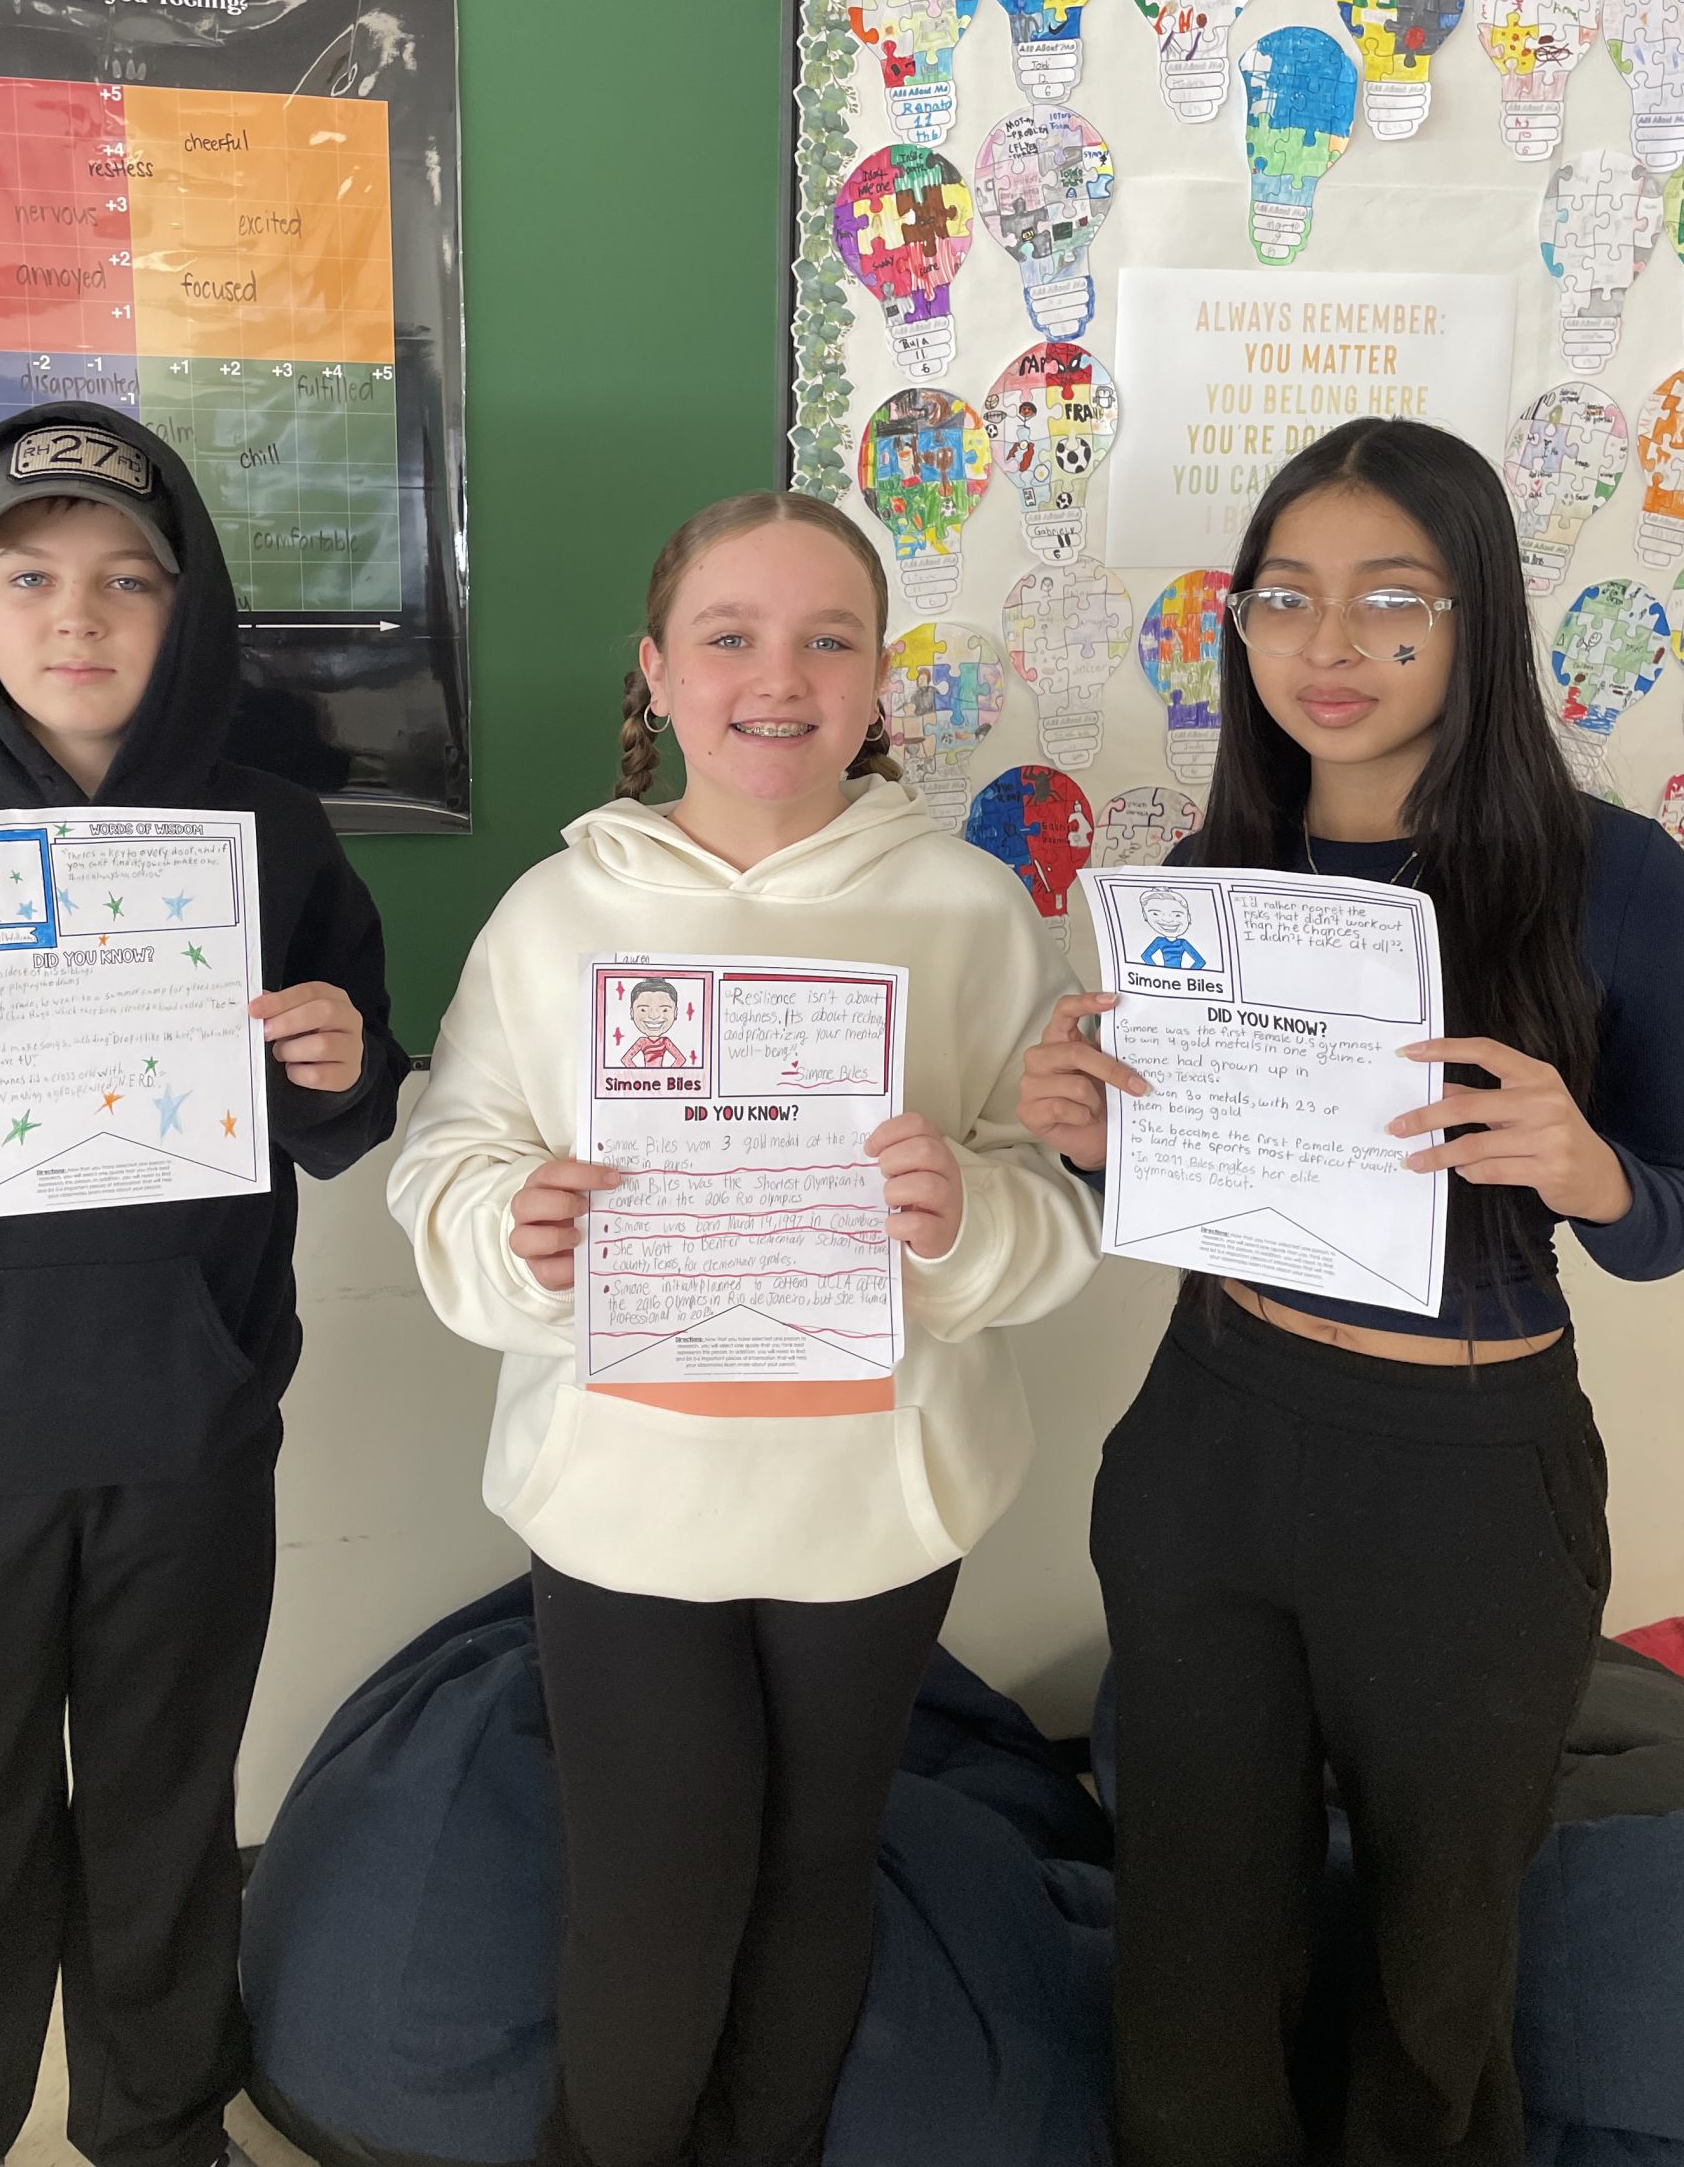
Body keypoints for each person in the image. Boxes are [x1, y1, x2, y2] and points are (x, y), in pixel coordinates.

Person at [389, 489, 1100, 2167]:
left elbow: (1050, 1200)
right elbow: (453, 1154)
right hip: (628, 1496)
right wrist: (520, 1225)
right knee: (649, 1887)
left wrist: (961, 1221)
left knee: (813, 1869)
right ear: (657, 669)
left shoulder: (973, 912)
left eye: (826, 639)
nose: (775, 679)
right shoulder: (560, 914)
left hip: (873, 1497)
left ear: (874, 685)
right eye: (729, 636)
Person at [1019, 419, 1684, 2167]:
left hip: (1469, 1476)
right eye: (1285, 601)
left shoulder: (1615, 880)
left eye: (1395, 602)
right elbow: (1184, 1192)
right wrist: (1082, 1135)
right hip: (1217, 1434)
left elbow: (1668, 1216)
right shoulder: (1198, 889)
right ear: (1238, 631)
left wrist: (1594, 1168)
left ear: (1480, 624)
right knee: (1195, 1926)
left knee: (1435, 1953)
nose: (1333, 647)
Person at [0, 404, 408, 2167]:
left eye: (128, 579)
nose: (81, 615)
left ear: (181, 605)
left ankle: (157, 2120)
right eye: (32, 575)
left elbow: (353, 1121)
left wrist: (345, 1059)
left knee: (163, 1805)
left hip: (190, 1422)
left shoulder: (273, 837)